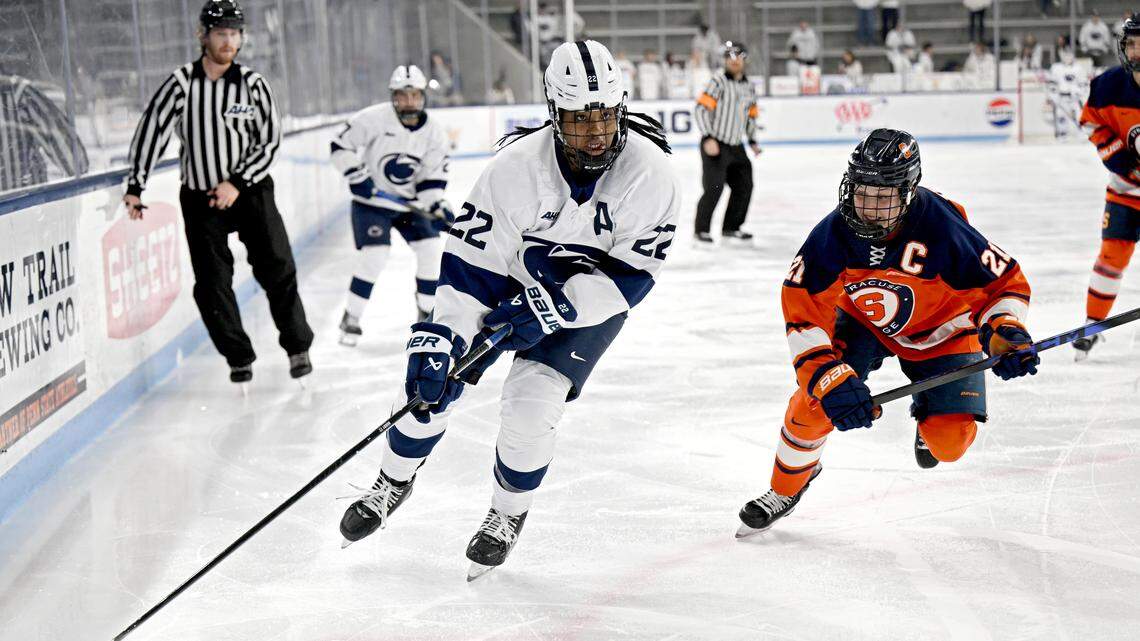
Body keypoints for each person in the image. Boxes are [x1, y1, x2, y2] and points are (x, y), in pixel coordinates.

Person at [337, 40, 679, 578]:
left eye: (606, 117)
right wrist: (441, 340)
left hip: (589, 304)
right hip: (507, 281)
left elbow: (632, 279)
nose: (596, 134)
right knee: (435, 382)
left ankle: (506, 515)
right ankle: (392, 480)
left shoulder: (652, 174)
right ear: (552, 114)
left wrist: (554, 307)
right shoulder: (515, 169)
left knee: (531, 405)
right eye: (579, 120)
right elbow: (469, 273)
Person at [735, 129, 1039, 536]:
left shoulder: (942, 226)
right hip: (864, 324)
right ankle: (784, 488)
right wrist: (828, 380)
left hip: (942, 330)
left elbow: (1003, 284)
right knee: (814, 404)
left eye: (882, 197)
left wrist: (1005, 328)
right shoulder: (832, 235)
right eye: (861, 191)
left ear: (909, 191)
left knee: (948, 445)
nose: (867, 207)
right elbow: (803, 312)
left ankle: (929, 418)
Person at [124, 0, 313, 385]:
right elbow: (152, 130)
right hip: (200, 198)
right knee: (211, 284)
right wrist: (135, 185)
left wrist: (237, 183)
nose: (228, 41)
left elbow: (270, 142)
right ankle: (238, 356)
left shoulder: (253, 85)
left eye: (234, 34)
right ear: (202, 36)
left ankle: (297, 347)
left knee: (278, 267)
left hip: (250, 191)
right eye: (220, 33)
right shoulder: (181, 83)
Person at [330, 65, 453, 346]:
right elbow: (339, 145)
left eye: (414, 95)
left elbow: (431, 179)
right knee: (375, 255)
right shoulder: (373, 119)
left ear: (423, 97)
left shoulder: (435, 133)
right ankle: (352, 316)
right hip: (371, 203)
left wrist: (435, 205)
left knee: (431, 250)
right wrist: (355, 174)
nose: (409, 102)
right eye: (402, 95)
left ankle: (426, 314)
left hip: (409, 206)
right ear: (393, 97)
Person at [1074, 14, 1140, 359]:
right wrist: (1117, 156)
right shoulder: (1109, 85)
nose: (1135, 51)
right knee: (1111, 258)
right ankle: (1092, 323)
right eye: (1131, 43)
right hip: (1126, 190)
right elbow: (1090, 122)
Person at [694, 41, 762, 245]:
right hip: (716, 143)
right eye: (729, 58)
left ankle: (732, 227)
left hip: (736, 145)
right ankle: (701, 230)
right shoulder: (718, 82)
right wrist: (708, 137)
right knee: (714, 187)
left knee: (744, 185)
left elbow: (751, 115)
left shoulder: (749, 86)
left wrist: (752, 140)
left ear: (744, 60)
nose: (734, 62)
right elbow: (701, 110)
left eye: (738, 57)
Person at [0, 71, 89, 193]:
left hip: (28, 207)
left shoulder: (19, 94)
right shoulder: (19, 93)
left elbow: (75, 163)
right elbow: (76, 163)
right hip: (28, 207)